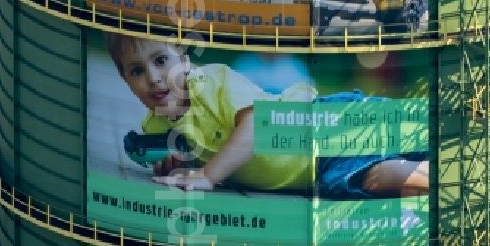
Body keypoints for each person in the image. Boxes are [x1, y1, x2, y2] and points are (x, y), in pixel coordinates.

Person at [105, 34, 428, 197]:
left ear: (185, 58)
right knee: (376, 181)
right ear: (125, 81)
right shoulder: (156, 126)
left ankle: (441, 170)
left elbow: (256, 127)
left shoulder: (213, 83)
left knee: (402, 147)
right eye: (137, 70)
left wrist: (207, 176)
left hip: (320, 126)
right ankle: (438, 174)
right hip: (318, 170)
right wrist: (180, 165)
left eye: (161, 60)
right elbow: (204, 150)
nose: (153, 78)